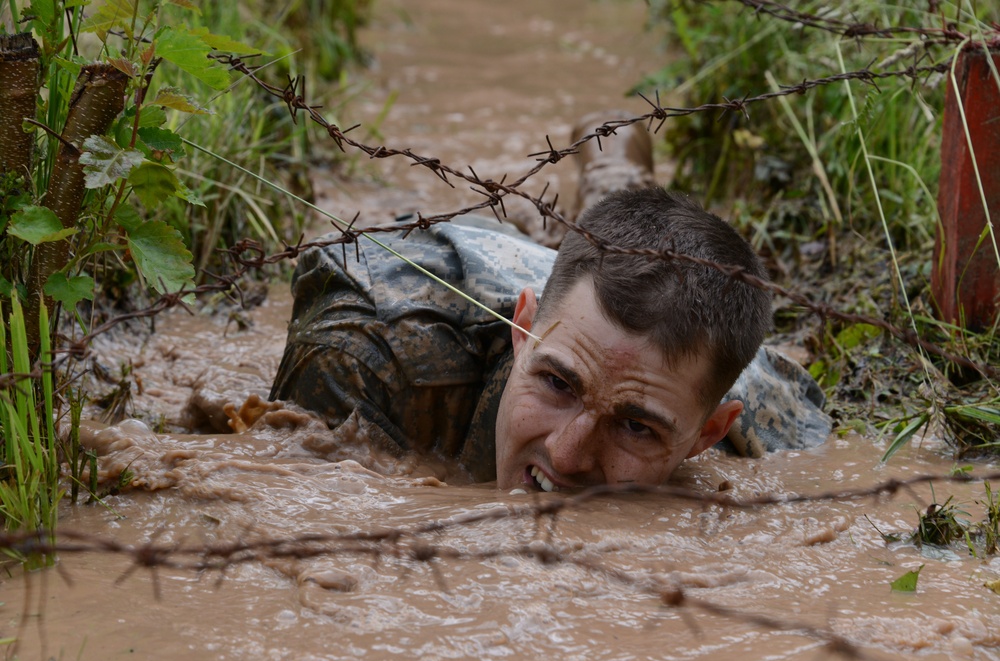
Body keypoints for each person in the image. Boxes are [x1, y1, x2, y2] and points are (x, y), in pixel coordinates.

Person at [269, 187, 831, 490]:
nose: (567, 457)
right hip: (437, 264)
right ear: (523, 330)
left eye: (635, 426)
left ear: (705, 436)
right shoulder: (362, 358)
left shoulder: (759, 410)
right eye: (558, 383)